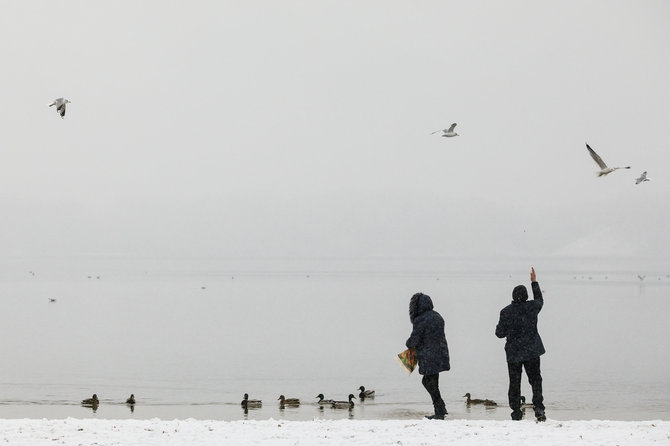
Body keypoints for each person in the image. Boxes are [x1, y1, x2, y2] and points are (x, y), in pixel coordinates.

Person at [495, 267, 547, 421]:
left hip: (514, 352)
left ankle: (516, 412)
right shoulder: (532, 307)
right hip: (532, 351)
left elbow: (499, 334)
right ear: (525, 296)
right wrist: (534, 282)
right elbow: (540, 300)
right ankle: (539, 409)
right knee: (535, 380)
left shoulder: (506, 312)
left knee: (514, 382)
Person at [406, 292, 451, 420]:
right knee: (432, 382)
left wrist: (408, 343)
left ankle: (440, 409)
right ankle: (440, 409)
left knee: (428, 382)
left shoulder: (420, 319)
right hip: (440, 353)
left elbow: (414, 340)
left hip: (428, 355)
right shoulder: (438, 316)